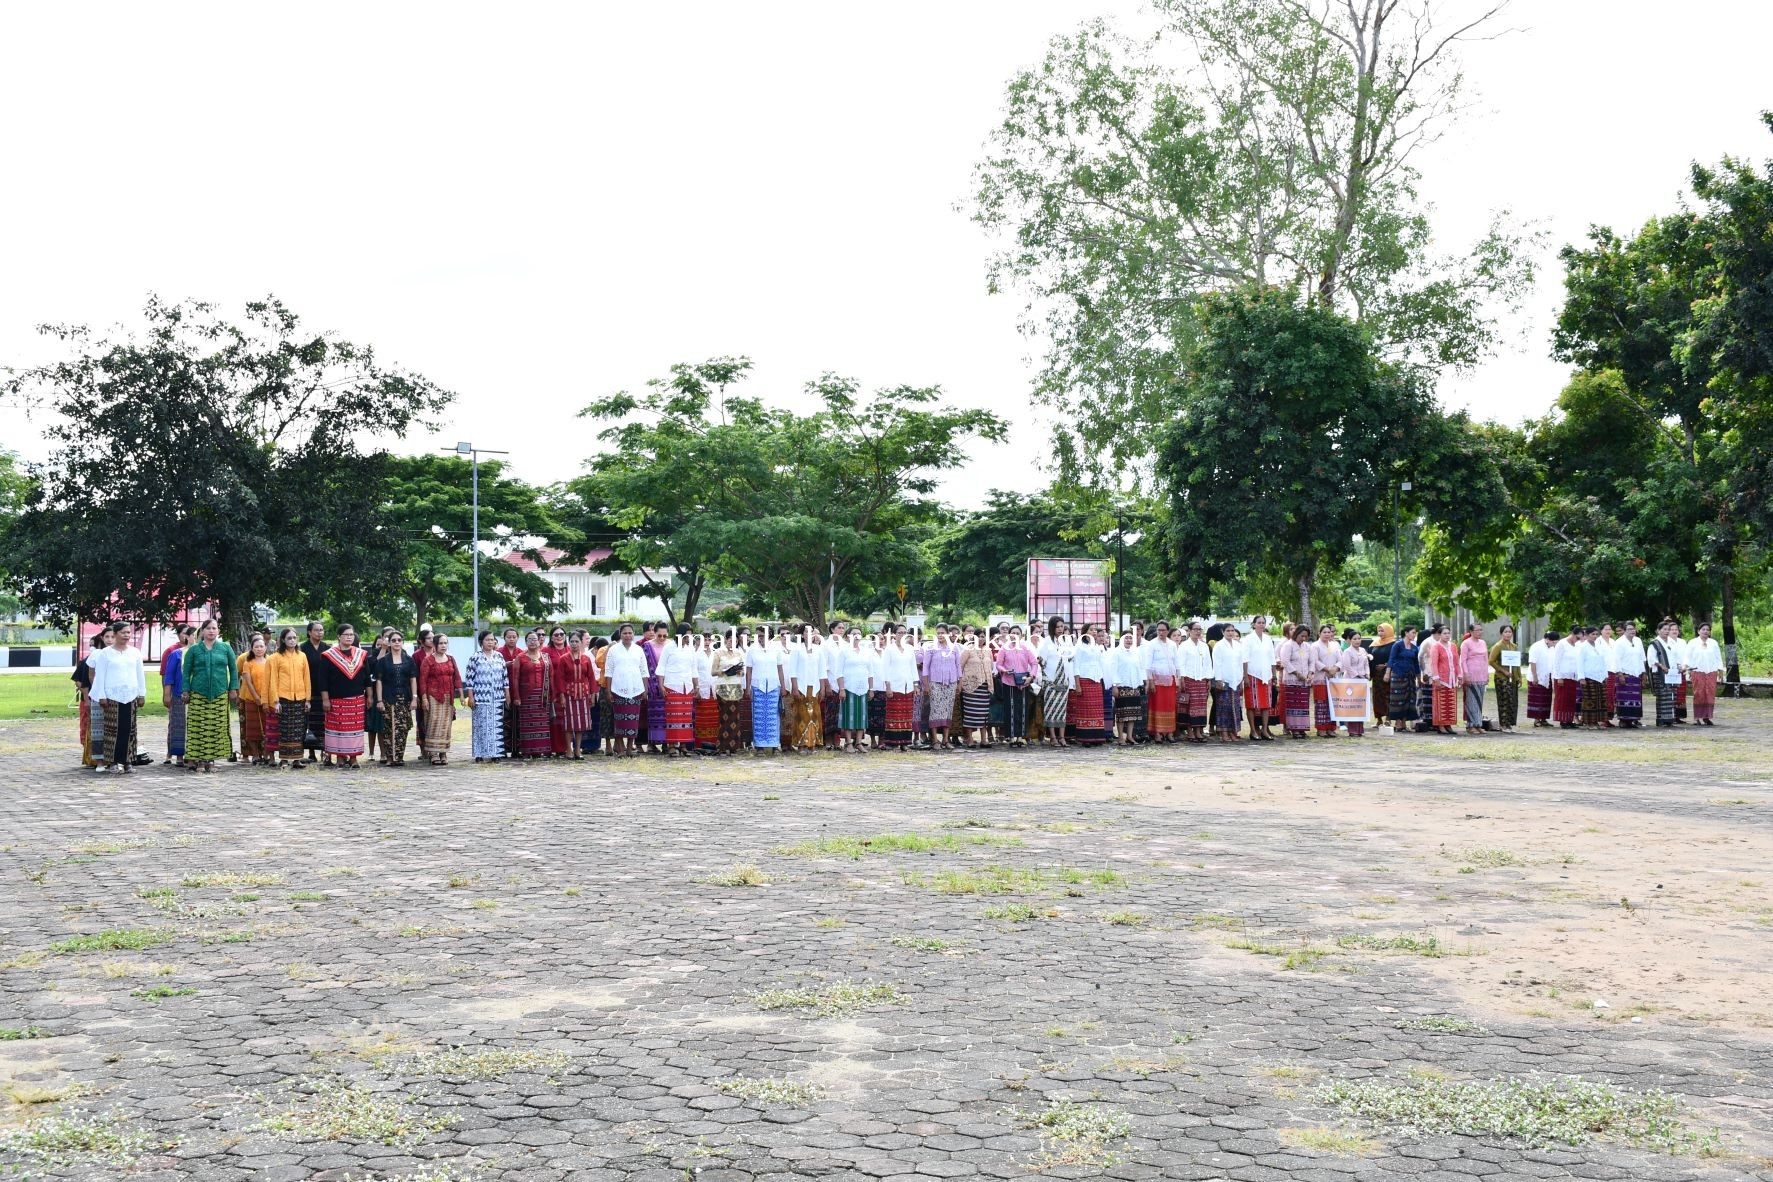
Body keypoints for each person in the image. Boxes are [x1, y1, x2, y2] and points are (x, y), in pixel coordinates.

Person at [88, 622, 147, 774]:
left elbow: (140, 675)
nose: (127, 635)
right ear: (115, 634)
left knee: (130, 729)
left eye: (129, 632)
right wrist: (101, 696)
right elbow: (99, 676)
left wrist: (142, 694)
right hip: (112, 696)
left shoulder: (134, 652)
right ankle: (113, 762)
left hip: (131, 696)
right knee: (112, 729)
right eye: (123, 632)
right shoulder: (105, 654)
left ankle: (128, 761)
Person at [182, 619, 239, 773]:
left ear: (218, 631)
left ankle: (211, 760)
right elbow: (186, 672)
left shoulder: (225, 648)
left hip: (220, 694)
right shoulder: (194, 650)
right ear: (203, 631)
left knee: (216, 727)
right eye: (208, 628)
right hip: (198, 694)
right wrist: (185, 690)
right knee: (198, 727)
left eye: (214, 628)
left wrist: (233, 688)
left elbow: (234, 670)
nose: (211, 631)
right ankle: (200, 760)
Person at [318, 624, 372, 769]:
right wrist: (325, 699)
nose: (349, 637)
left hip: (356, 699)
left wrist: (370, 697)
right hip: (336, 699)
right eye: (346, 634)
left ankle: (353, 758)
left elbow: (367, 678)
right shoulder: (329, 656)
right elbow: (323, 680)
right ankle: (340, 757)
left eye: (351, 634)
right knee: (338, 730)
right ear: (339, 637)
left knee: (354, 731)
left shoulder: (361, 654)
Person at [266, 628, 312, 768]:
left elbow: (306, 678)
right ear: (283, 640)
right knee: (285, 730)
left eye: (294, 637)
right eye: (289, 638)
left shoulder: (302, 656)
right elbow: (273, 680)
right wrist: (275, 700)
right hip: (283, 698)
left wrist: (308, 699)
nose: (292, 640)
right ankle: (284, 759)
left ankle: (297, 759)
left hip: (299, 698)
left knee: (298, 730)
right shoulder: (275, 657)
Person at [463, 631, 510, 762]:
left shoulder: (499, 657)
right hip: (481, 698)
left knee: (496, 727)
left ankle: (496, 754)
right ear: (481, 642)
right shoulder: (475, 658)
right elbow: (469, 680)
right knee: (481, 726)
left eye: (492, 640)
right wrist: (471, 697)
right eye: (487, 640)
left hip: (497, 697)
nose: (490, 642)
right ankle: (479, 753)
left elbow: (505, 678)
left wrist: (507, 695)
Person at [416, 633, 462, 765]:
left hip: (448, 697)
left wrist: (461, 695)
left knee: (446, 725)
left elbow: (457, 678)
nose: (443, 646)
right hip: (433, 696)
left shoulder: (450, 659)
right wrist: (424, 698)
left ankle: (443, 753)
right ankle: (433, 753)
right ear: (435, 645)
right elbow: (422, 681)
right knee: (433, 724)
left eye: (445, 643)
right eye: (441, 643)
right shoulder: (428, 660)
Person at [374, 632, 418, 766]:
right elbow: (379, 681)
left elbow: (413, 679)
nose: (397, 642)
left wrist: (415, 698)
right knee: (389, 728)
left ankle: (399, 757)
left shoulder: (408, 660)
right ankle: (389, 757)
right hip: (388, 696)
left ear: (402, 642)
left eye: (399, 640)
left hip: (404, 697)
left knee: (402, 728)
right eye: (394, 640)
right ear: (389, 643)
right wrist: (379, 700)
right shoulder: (383, 661)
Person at [602, 624, 647, 757]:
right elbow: (609, 671)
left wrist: (645, 689)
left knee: (633, 721)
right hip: (618, 689)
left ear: (633, 634)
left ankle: (629, 749)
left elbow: (644, 670)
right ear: (620, 635)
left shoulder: (638, 650)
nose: (628, 635)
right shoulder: (613, 650)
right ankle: (620, 749)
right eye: (625, 633)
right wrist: (608, 690)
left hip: (636, 689)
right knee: (619, 720)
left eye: (630, 633)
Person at [511, 630, 554, 758]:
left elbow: (551, 676)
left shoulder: (546, 657)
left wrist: (552, 693)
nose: (533, 641)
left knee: (542, 725)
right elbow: (515, 678)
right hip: (527, 697)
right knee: (527, 726)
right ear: (525, 642)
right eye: (529, 639)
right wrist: (516, 696)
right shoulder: (520, 657)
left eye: (535, 639)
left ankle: (541, 750)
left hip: (543, 696)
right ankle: (528, 751)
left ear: (540, 641)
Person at [995, 626, 1037, 747]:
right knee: (1011, 709)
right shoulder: (1004, 648)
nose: (1015, 635)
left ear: (1021, 635)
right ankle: (1012, 737)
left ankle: (1020, 737)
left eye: (1017, 633)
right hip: (1009, 681)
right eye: (1013, 633)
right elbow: (999, 664)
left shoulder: (1026, 648)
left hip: (1024, 682)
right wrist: (1004, 671)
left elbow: (1034, 663)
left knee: (1022, 709)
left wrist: (1031, 676)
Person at [880, 627, 920, 751]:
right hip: (894, 685)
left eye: (904, 633)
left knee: (907, 715)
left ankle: (905, 742)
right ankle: (891, 742)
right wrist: (888, 686)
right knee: (894, 715)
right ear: (894, 634)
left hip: (907, 686)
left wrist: (916, 685)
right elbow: (885, 669)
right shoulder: (889, 649)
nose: (902, 635)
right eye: (899, 633)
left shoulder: (909, 649)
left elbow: (913, 668)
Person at [746, 626, 784, 755]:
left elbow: (780, 669)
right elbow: (749, 670)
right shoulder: (752, 649)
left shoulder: (776, 649)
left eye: (761, 636)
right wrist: (748, 687)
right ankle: (759, 747)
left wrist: (783, 686)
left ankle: (774, 746)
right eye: (757, 636)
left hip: (773, 686)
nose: (759, 638)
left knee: (773, 717)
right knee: (758, 716)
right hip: (758, 686)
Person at [161, 623, 194, 766]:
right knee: (178, 724)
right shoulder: (176, 653)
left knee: (194, 725)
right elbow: (168, 675)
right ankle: (179, 755)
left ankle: (193, 754)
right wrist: (166, 694)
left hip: (197, 695)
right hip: (178, 693)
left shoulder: (202, 653)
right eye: (192, 635)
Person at [238, 633, 273, 765]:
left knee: (266, 727)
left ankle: (265, 754)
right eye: (256, 647)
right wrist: (256, 697)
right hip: (251, 699)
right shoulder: (248, 662)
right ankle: (255, 755)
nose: (259, 649)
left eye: (261, 646)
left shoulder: (270, 661)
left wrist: (265, 698)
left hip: (267, 699)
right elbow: (248, 683)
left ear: (265, 647)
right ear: (252, 648)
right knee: (252, 728)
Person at [787, 628, 825, 753]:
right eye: (807, 632)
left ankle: (813, 744)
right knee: (802, 716)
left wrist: (822, 687)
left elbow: (822, 670)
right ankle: (801, 745)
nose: (810, 634)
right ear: (802, 634)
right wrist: (795, 687)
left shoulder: (818, 650)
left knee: (815, 716)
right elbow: (792, 670)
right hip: (801, 687)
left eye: (812, 632)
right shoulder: (797, 649)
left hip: (815, 687)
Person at [1035, 619, 1071, 747]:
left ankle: (1062, 736)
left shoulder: (1067, 641)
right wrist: (1046, 675)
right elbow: (1040, 659)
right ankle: (1053, 737)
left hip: (1064, 679)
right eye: (1057, 627)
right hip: (1051, 679)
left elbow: (1070, 658)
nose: (1060, 629)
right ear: (1052, 628)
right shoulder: (1047, 642)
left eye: (1062, 626)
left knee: (1062, 710)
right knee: (1050, 709)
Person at [1242, 616, 1279, 742]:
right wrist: (1245, 675)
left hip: (1266, 675)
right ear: (1254, 624)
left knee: (1266, 705)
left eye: (1263, 623)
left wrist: (1274, 675)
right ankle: (1253, 730)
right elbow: (1245, 658)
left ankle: (1264, 729)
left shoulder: (1268, 639)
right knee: (1251, 704)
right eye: (1259, 622)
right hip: (1253, 674)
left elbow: (1272, 658)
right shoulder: (1248, 639)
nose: (1261, 625)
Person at [1141, 621, 1179, 743]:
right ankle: (1157, 733)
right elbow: (1148, 664)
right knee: (1157, 705)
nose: (1161, 632)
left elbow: (1176, 663)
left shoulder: (1172, 644)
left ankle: (1169, 732)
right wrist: (1150, 681)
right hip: (1156, 680)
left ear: (1168, 631)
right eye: (1159, 630)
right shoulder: (1152, 644)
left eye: (1163, 630)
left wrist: (1178, 678)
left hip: (1170, 679)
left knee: (1170, 706)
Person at [299, 622, 330, 764]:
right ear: (309, 632)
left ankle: (325, 752)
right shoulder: (302, 649)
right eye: (317, 630)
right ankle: (311, 752)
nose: (320, 632)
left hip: (324, 690)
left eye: (322, 630)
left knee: (324, 722)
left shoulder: (327, 649)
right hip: (307, 690)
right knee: (309, 722)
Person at [957, 634, 995, 749]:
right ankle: (970, 739)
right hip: (970, 686)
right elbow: (959, 666)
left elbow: (992, 666)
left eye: (983, 636)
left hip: (984, 686)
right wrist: (960, 683)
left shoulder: (988, 650)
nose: (981, 638)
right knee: (970, 712)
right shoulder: (967, 649)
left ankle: (984, 740)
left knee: (983, 713)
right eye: (979, 636)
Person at [1108, 630, 1145, 746]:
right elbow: (1113, 669)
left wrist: (1143, 682)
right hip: (1121, 687)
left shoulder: (1136, 652)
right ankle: (1120, 737)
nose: (1129, 640)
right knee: (1122, 714)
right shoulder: (1117, 652)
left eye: (1131, 638)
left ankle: (1129, 736)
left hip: (1134, 686)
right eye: (1127, 638)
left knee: (1133, 713)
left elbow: (1140, 667)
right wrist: (1114, 685)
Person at [1276, 624, 1313, 739]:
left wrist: (1310, 673)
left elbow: (1311, 661)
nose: (1304, 639)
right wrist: (1298, 674)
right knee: (1293, 705)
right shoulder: (1288, 645)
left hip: (1304, 681)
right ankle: (1294, 729)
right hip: (1292, 680)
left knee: (1303, 705)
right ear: (1297, 634)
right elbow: (1286, 662)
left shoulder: (1307, 646)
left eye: (1306, 636)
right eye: (1302, 636)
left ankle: (1302, 728)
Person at [1177, 621, 1212, 743]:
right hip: (1188, 679)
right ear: (1189, 631)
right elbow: (1180, 664)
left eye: (1199, 629)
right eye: (1195, 629)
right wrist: (1181, 679)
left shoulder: (1204, 646)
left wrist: (1208, 679)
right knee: (1189, 706)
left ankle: (1198, 730)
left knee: (1201, 706)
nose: (1198, 631)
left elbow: (1208, 664)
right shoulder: (1184, 646)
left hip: (1202, 679)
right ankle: (1190, 731)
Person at [1210, 621, 1244, 741]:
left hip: (1236, 679)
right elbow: (1217, 664)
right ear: (1222, 632)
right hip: (1223, 680)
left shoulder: (1238, 645)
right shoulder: (1219, 646)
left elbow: (1240, 663)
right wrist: (1218, 680)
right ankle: (1223, 732)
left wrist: (1241, 679)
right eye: (1228, 631)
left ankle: (1232, 731)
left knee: (1234, 707)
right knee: (1223, 707)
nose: (1230, 633)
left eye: (1232, 631)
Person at [1425, 623, 1459, 735]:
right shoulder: (1436, 646)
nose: (1447, 635)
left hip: (1452, 679)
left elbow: (1456, 662)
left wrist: (1460, 675)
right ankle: (1440, 725)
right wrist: (1436, 678)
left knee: (1450, 702)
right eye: (1444, 633)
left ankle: (1448, 724)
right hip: (1441, 678)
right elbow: (1433, 663)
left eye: (1448, 633)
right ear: (1439, 635)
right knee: (1441, 702)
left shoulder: (1453, 646)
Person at [1385, 626, 1420, 733]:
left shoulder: (1414, 648)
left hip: (1410, 675)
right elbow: (1391, 659)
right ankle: (1398, 721)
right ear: (1406, 633)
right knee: (1397, 699)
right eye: (1413, 633)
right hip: (1398, 674)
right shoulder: (1397, 645)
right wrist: (1387, 673)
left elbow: (1416, 663)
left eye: (1415, 633)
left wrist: (1419, 677)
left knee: (1409, 699)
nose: (1414, 635)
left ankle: (1404, 721)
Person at [1688, 622, 1723, 726]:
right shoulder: (1693, 642)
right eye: (1703, 629)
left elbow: (1718, 657)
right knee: (1699, 694)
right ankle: (1697, 717)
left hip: (1711, 671)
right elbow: (1687, 656)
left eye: (1707, 630)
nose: (1705, 631)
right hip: (1698, 671)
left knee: (1710, 694)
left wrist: (1720, 670)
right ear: (1698, 631)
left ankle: (1707, 717)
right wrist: (1688, 668)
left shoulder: (1713, 643)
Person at [1308, 625, 1340, 737]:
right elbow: (1315, 661)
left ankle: (1331, 728)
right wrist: (1327, 669)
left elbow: (1341, 660)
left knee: (1332, 704)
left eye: (1329, 632)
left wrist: (1334, 669)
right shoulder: (1315, 646)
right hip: (1320, 678)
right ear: (1319, 633)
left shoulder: (1335, 645)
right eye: (1324, 632)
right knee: (1321, 703)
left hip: (1333, 679)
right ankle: (1321, 728)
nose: (1327, 634)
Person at [1488, 624, 1520, 732]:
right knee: (1504, 700)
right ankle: (1503, 724)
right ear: (1501, 633)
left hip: (1513, 678)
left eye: (1510, 632)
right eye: (1505, 632)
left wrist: (1519, 677)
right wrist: (1503, 671)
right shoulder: (1498, 646)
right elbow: (1491, 661)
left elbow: (1517, 663)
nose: (1508, 634)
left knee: (1512, 701)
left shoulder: (1514, 646)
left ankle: (1509, 724)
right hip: (1502, 678)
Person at [1459, 623, 1490, 734]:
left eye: (1481, 630)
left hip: (1481, 674)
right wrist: (1465, 674)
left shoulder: (1483, 643)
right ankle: (1470, 725)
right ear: (1471, 631)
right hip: (1471, 674)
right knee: (1471, 700)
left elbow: (1486, 659)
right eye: (1477, 630)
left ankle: (1478, 724)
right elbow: (1463, 660)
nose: (1480, 632)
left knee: (1479, 700)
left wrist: (1487, 673)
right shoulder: (1466, 643)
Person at [498, 626, 523, 756]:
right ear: (504, 638)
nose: (512, 639)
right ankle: (502, 749)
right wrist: (505, 665)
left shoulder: (522, 652)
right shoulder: (498, 652)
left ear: (518, 638)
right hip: (502, 690)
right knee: (503, 720)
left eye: (514, 637)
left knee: (517, 721)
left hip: (518, 690)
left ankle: (516, 749)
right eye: (509, 637)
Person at [1577, 627, 1608, 728]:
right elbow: (1579, 663)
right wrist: (1581, 677)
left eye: (1596, 634)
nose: (1595, 636)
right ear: (1586, 635)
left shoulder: (1599, 646)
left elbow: (1603, 661)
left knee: (1600, 699)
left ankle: (1597, 720)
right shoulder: (1583, 647)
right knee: (1590, 699)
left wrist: (1605, 675)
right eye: (1592, 634)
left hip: (1600, 676)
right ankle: (1589, 722)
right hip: (1588, 676)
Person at [1550, 629, 1582, 729]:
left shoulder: (1576, 646)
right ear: (1572, 634)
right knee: (1562, 699)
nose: (1577, 640)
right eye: (1577, 637)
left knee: (1571, 700)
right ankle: (1563, 720)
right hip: (1562, 677)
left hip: (1572, 677)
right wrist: (1559, 676)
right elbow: (1556, 662)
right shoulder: (1562, 644)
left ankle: (1569, 719)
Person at [1339, 631, 1369, 738]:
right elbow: (1347, 666)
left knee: (1360, 705)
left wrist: (1367, 674)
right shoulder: (1347, 652)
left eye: (1359, 638)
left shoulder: (1363, 650)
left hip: (1362, 682)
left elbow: (1366, 664)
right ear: (1350, 640)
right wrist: (1358, 676)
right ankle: (1352, 729)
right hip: (1351, 681)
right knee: (1352, 705)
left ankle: (1360, 729)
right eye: (1354, 639)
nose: (1357, 641)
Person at [1647, 622, 1677, 727]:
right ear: (1658, 630)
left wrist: (1679, 666)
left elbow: (1674, 657)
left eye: (1668, 629)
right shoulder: (1654, 643)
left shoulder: (1671, 642)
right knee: (1662, 696)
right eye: (1664, 629)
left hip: (1671, 673)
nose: (1666, 631)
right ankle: (1661, 719)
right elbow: (1651, 659)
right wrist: (1661, 665)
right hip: (1660, 673)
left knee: (1671, 696)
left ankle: (1670, 719)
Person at [1525, 629, 1556, 727]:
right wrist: (1535, 677)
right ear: (1547, 639)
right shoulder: (1536, 646)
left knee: (1546, 699)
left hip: (1547, 677)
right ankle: (1536, 719)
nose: (1554, 644)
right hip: (1537, 677)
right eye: (1553, 641)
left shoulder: (1552, 648)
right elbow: (1532, 662)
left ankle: (1544, 719)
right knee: (1537, 699)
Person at [1367, 623, 1395, 733]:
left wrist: (1387, 666)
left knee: (1387, 696)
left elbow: (1394, 658)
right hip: (1376, 675)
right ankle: (1379, 719)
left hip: (1387, 673)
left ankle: (1388, 718)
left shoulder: (1393, 644)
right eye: (1379, 630)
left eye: (1382, 630)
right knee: (1377, 697)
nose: (1380, 632)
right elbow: (1369, 659)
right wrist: (1370, 673)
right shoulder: (1374, 644)